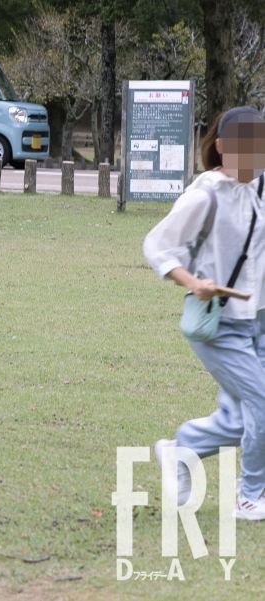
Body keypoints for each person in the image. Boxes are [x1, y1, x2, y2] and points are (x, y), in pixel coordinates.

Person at [143, 106, 265, 520]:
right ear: (223, 147)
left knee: (242, 414)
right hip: (222, 325)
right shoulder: (206, 194)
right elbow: (158, 246)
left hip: (259, 322)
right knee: (262, 404)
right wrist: (194, 283)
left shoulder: (261, 187)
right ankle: (250, 494)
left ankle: (183, 449)